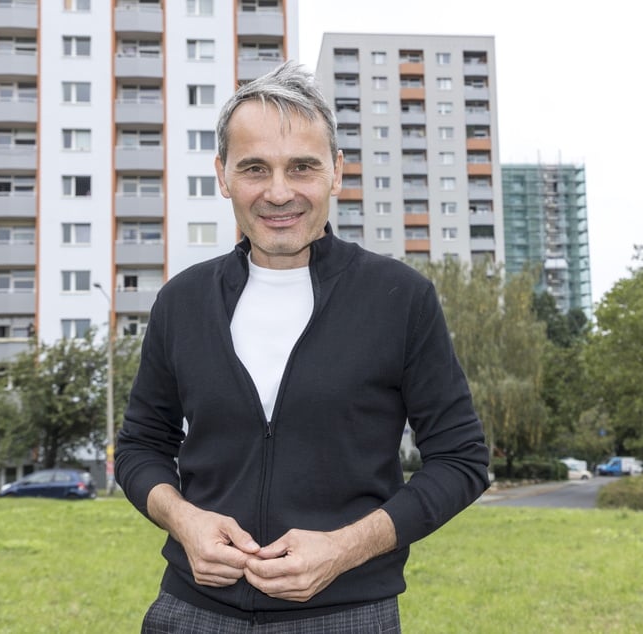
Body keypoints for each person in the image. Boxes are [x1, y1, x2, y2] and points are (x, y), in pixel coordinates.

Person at [115, 60, 490, 633]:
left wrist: (345, 548)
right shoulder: (181, 302)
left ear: (337, 171)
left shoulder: (400, 298)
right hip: (191, 610)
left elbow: (462, 461)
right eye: (254, 168)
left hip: (347, 613)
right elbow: (140, 446)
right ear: (222, 175)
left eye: (302, 167)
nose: (279, 192)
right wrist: (183, 520)